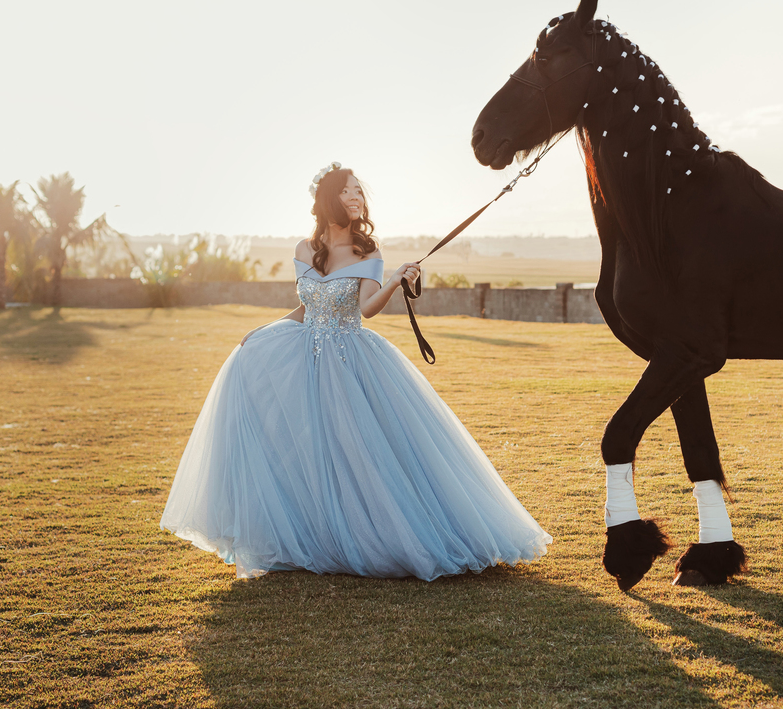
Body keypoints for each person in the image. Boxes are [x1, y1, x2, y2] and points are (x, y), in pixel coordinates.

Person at [160, 162, 552, 579]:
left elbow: (366, 308)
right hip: (306, 359)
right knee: (309, 446)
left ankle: (384, 535)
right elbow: (309, 305)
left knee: (359, 450)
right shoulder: (303, 250)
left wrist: (396, 279)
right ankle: (315, 533)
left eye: (359, 192)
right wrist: (263, 331)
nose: (356, 198)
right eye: (347, 191)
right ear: (328, 198)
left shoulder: (368, 252)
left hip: (351, 360)